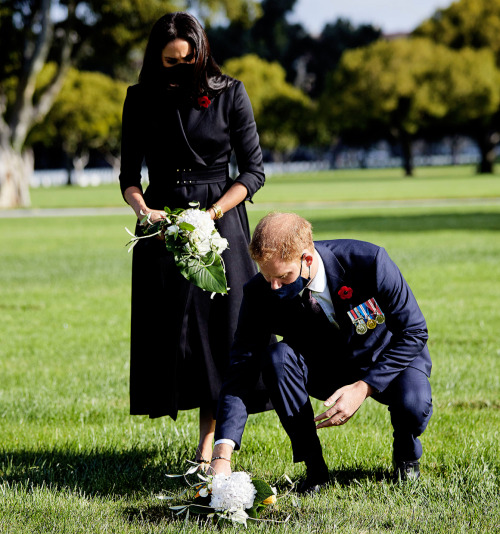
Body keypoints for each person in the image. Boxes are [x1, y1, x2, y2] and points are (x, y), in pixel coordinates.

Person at [119, 12, 269, 468]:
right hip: (164, 225)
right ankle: (200, 429)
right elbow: (129, 177)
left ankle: (212, 442)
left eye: (189, 60)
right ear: (155, 58)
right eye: (171, 62)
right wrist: (143, 210)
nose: (181, 69)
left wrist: (215, 213)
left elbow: (253, 171)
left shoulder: (231, 93)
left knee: (219, 333)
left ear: (201, 53)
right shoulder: (140, 98)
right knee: (175, 335)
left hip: (219, 220)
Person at [210, 212, 433, 493]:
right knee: (276, 358)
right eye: (266, 276)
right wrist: (222, 453)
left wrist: (364, 387)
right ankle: (314, 470)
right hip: (324, 366)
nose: (273, 286)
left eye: (282, 276)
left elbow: (414, 332)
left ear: (307, 259)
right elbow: (240, 369)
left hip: (385, 357)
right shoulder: (260, 292)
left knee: (414, 404)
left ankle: (406, 455)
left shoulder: (369, 261)